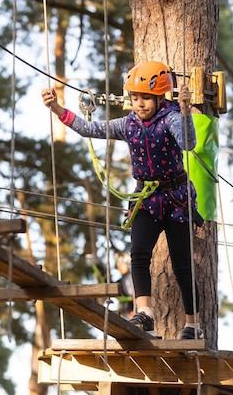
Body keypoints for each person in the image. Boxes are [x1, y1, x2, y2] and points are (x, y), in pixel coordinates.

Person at [41, 61, 203, 340]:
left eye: (146, 98)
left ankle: (193, 325)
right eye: (135, 98)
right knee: (138, 254)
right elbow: (88, 128)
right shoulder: (127, 124)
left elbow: (188, 143)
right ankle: (145, 313)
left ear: (160, 96)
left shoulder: (172, 117)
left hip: (176, 201)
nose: (139, 104)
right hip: (146, 199)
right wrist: (57, 109)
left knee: (182, 266)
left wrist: (187, 111)